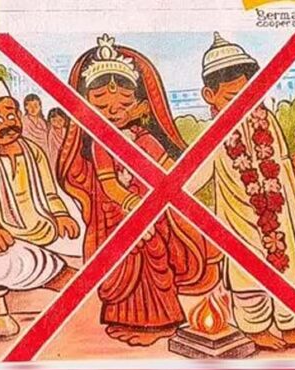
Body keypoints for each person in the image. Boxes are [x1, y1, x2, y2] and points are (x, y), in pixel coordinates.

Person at [59, 34, 222, 347]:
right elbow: (108, 182)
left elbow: (170, 171)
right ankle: (126, 320)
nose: (114, 111)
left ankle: (161, 321)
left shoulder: (146, 139)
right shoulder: (100, 145)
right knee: (126, 267)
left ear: (141, 105)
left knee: (156, 263)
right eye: (101, 105)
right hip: (120, 215)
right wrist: (131, 202)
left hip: (153, 213)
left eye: (124, 104)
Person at [189, 32, 295, 351]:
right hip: (239, 226)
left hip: (279, 222)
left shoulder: (268, 122)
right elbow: (190, 181)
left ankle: (290, 328)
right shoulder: (213, 136)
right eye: (232, 97)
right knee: (248, 285)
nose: (244, 104)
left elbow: (286, 176)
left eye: (250, 94)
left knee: (288, 278)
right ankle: (256, 330)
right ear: (209, 95)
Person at [0, 79, 79, 292]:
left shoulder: (34, 152)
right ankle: (51, 270)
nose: (8, 124)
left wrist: (60, 214)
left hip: (42, 225)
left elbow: (50, 192)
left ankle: (45, 262)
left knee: (82, 230)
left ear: (19, 116)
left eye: (11, 116)